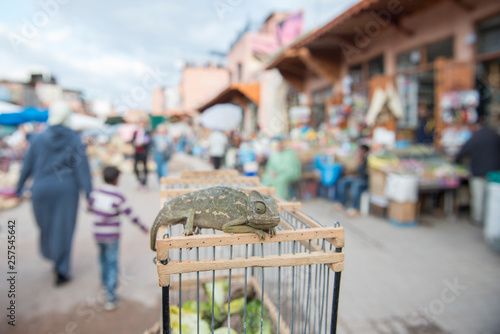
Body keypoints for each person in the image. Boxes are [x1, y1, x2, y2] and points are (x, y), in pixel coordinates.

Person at [16, 101, 92, 286]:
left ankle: (52, 256)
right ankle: (61, 268)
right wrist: (89, 195)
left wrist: (18, 187)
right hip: (66, 191)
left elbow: (27, 165)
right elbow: (82, 170)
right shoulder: (74, 139)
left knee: (47, 227)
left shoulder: (38, 138)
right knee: (63, 230)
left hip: (40, 190)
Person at [87, 166, 148, 311]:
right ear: (116, 179)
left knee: (102, 259)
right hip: (111, 236)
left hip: (97, 234)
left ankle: (104, 283)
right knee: (112, 263)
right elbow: (130, 214)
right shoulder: (118, 196)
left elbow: (88, 208)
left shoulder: (96, 192)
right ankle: (110, 297)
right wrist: (143, 227)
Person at [455, 119, 500, 225]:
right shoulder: (496, 136)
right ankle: (490, 219)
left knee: (478, 196)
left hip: (478, 172)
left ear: (477, 125)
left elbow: (464, 151)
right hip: (494, 172)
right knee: (491, 197)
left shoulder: (476, 137)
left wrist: (456, 160)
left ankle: (477, 219)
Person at [334, 144, 370, 217]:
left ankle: (355, 208)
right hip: (358, 178)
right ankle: (342, 203)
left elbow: (366, 173)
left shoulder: (368, 159)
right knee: (343, 181)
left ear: (365, 150)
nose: (359, 151)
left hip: (364, 181)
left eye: (361, 150)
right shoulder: (360, 158)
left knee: (356, 185)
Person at [131, 119, 151, 189]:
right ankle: (139, 181)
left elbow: (148, 141)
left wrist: (143, 144)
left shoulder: (147, 132)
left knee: (144, 168)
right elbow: (132, 140)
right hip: (137, 152)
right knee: (136, 167)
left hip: (143, 152)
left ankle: (144, 182)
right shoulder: (136, 132)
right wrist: (135, 143)